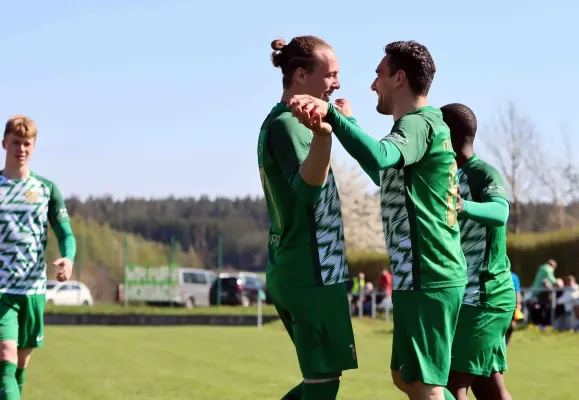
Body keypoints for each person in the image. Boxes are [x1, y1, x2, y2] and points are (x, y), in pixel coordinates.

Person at [288, 40, 466, 400]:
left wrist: (333, 116)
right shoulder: (421, 127)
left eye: (379, 75)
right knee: (404, 376)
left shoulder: (417, 124)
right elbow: (382, 171)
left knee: (425, 387)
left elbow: (381, 156)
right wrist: (346, 122)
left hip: (428, 275)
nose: (373, 85)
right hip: (421, 276)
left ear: (399, 78)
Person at [256, 36, 357, 400]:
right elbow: (307, 191)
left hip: (308, 267)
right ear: (301, 75)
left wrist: (338, 125)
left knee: (324, 377)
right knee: (323, 381)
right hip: (308, 268)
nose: (338, 83)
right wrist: (325, 136)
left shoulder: (291, 123)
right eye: (330, 74)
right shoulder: (288, 125)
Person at [440, 103, 515, 400]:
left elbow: (500, 211)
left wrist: (464, 206)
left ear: (446, 136)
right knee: (489, 388)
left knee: (449, 385)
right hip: (469, 297)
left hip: (484, 295)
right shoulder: (449, 175)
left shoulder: (483, 173)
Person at [0, 115, 76, 399]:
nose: (21, 149)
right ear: (4, 143)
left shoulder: (46, 189)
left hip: (33, 290)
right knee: (5, 358)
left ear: (33, 147)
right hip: (2, 290)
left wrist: (68, 258)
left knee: (20, 365)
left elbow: (65, 233)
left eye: (26, 144)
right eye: (16, 143)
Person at [506, 271, 524, 345]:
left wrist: (518, 303)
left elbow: (517, 291)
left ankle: (507, 338)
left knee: (513, 323)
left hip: (512, 303)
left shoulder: (514, 277)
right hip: (502, 303)